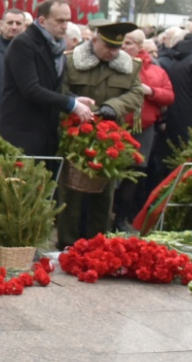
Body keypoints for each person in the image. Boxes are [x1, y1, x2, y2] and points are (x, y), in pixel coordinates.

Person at [57, 21, 144, 247]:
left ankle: (98, 243)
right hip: (75, 135)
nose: (113, 52)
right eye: (108, 46)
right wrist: (76, 106)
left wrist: (114, 107)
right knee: (71, 193)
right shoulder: (70, 61)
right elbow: (60, 90)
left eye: (117, 48)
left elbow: (136, 94)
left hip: (109, 138)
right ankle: (68, 243)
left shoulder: (130, 66)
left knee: (104, 194)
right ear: (94, 40)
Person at [0, 0, 94, 157]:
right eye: (60, 21)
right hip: (22, 132)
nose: (65, 26)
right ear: (42, 21)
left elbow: (51, 87)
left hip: (46, 132)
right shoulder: (23, 44)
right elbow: (31, 90)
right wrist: (71, 104)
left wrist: (73, 99)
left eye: (68, 21)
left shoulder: (56, 46)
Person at [113, 29, 174, 231]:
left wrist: (151, 91)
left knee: (136, 172)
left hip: (144, 128)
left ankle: (121, 219)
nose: (124, 47)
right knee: (112, 172)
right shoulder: (113, 66)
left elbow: (168, 96)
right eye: (122, 43)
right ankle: (108, 214)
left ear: (140, 46)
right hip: (117, 126)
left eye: (129, 43)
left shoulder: (155, 70)